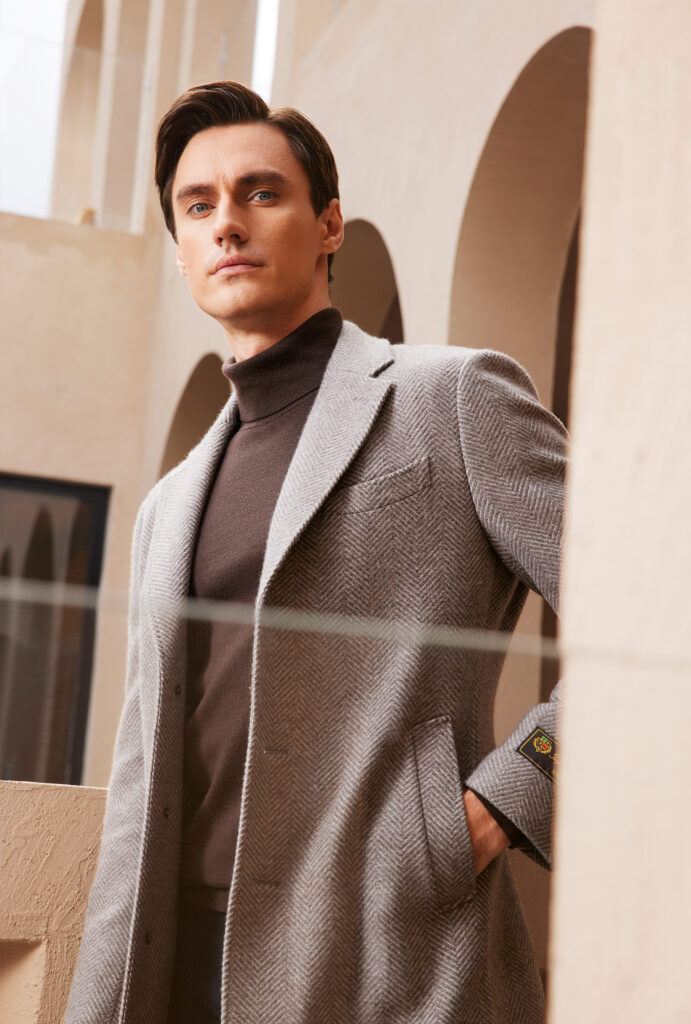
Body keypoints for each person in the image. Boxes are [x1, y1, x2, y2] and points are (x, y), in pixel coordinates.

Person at [64, 81, 566, 1024]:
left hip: (383, 942)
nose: (227, 223)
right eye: (197, 206)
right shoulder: (167, 507)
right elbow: (139, 777)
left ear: (329, 223)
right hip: (173, 956)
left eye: (261, 193)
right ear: (181, 248)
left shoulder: (453, 398)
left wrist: (508, 795)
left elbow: (652, 607)